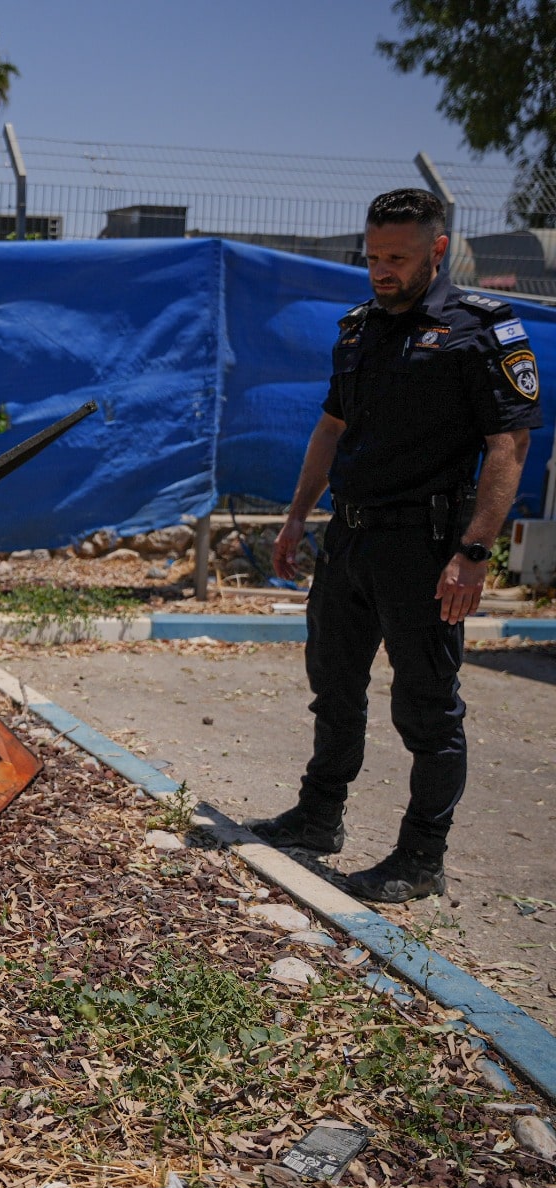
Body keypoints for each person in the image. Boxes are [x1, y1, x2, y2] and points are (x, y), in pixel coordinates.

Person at [252, 187, 541, 903]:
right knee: (335, 688)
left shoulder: (482, 329)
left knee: (427, 707)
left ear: (437, 251)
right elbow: (330, 429)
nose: (381, 270)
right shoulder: (358, 328)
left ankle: (420, 856)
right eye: (373, 256)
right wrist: (296, 519)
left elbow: (508, 446)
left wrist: (475, 552)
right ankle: (320, 816)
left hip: (427, 546)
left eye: (397, 259)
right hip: (349, 537)